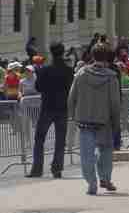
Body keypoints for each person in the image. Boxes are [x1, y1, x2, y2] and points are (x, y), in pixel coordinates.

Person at [67, 43, 121, 196]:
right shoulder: (111, 78)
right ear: (107, 58)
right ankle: (105, 178)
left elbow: (71, 98)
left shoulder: (81, 74)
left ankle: (91, 183)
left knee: (86, 155)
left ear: (92, 56)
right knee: (106, 152)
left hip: (84, 121)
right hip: (104, 122)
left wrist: (72, 116)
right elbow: (115, 104)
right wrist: (116, 123)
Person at [28, 42, 74, 179]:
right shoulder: (68, 70)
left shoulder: (45, 70)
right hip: (62, 108)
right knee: (60, 140)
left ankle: (37, 169)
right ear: (63, 52)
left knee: (39, 138)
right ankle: (57, 168)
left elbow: (38, 87)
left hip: (47, 107)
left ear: (51, 52)